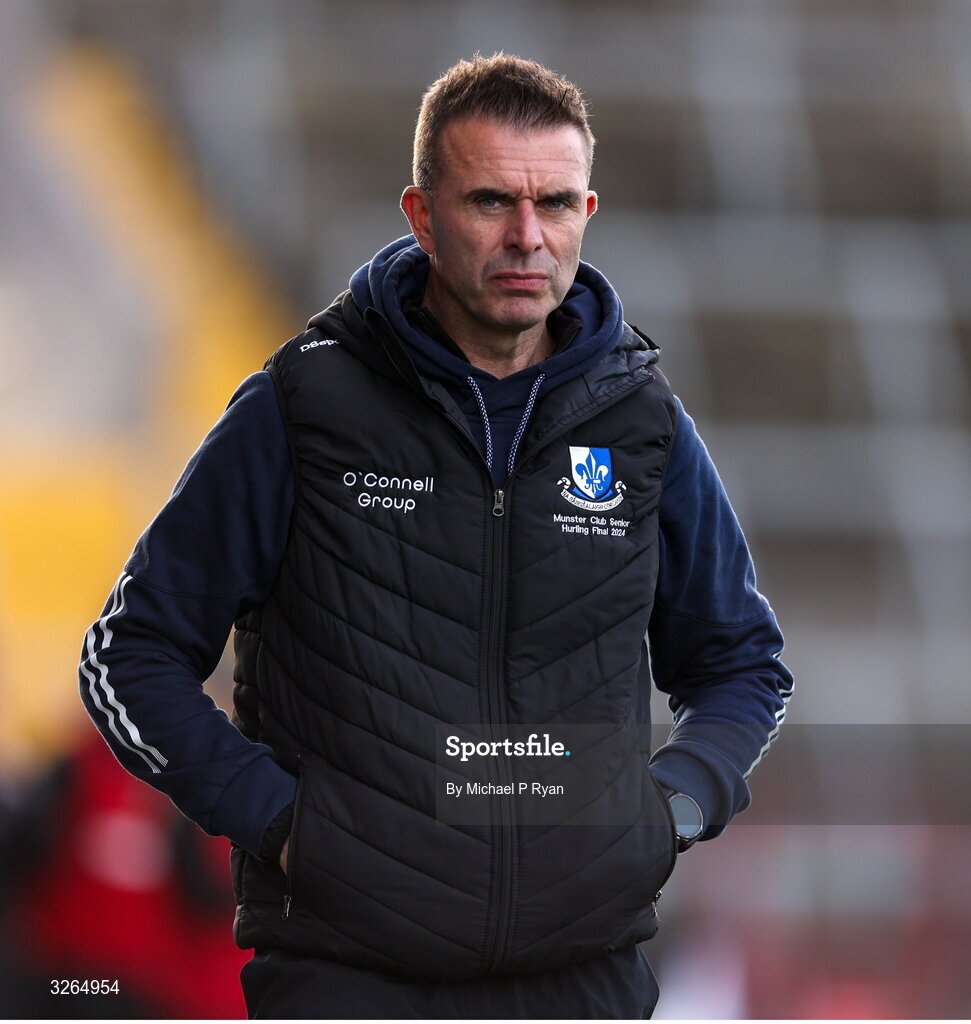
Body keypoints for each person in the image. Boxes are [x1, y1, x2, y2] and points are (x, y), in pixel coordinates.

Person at [80, 53, 793, 1019]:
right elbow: (129, 658)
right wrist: (287, 826)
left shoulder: (642, 422)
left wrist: (666, 812)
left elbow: (742, 661)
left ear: (590, 212)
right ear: (420, 215)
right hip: (347, 972)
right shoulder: (302, 407)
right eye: (491, 201)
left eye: (557, 204)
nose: (527, 239)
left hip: (579, 975)